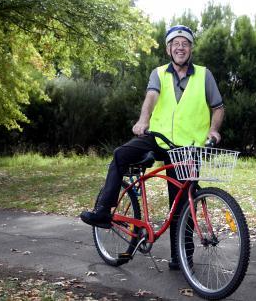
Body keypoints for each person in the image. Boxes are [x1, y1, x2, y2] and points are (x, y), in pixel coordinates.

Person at [80, 24, 224, 269]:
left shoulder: (203, 74)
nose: (180, 47)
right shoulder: (159, 73)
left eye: (185, 43)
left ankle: (181, 258)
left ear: (190, 49)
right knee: (121, 155)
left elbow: (218, 107)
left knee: (182, 204)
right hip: (157, 139)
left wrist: (213, 129)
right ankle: (104, 210)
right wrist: (143, 120)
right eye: (176, 44)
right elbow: (152, 96)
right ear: (169, 49)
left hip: (188, 147)